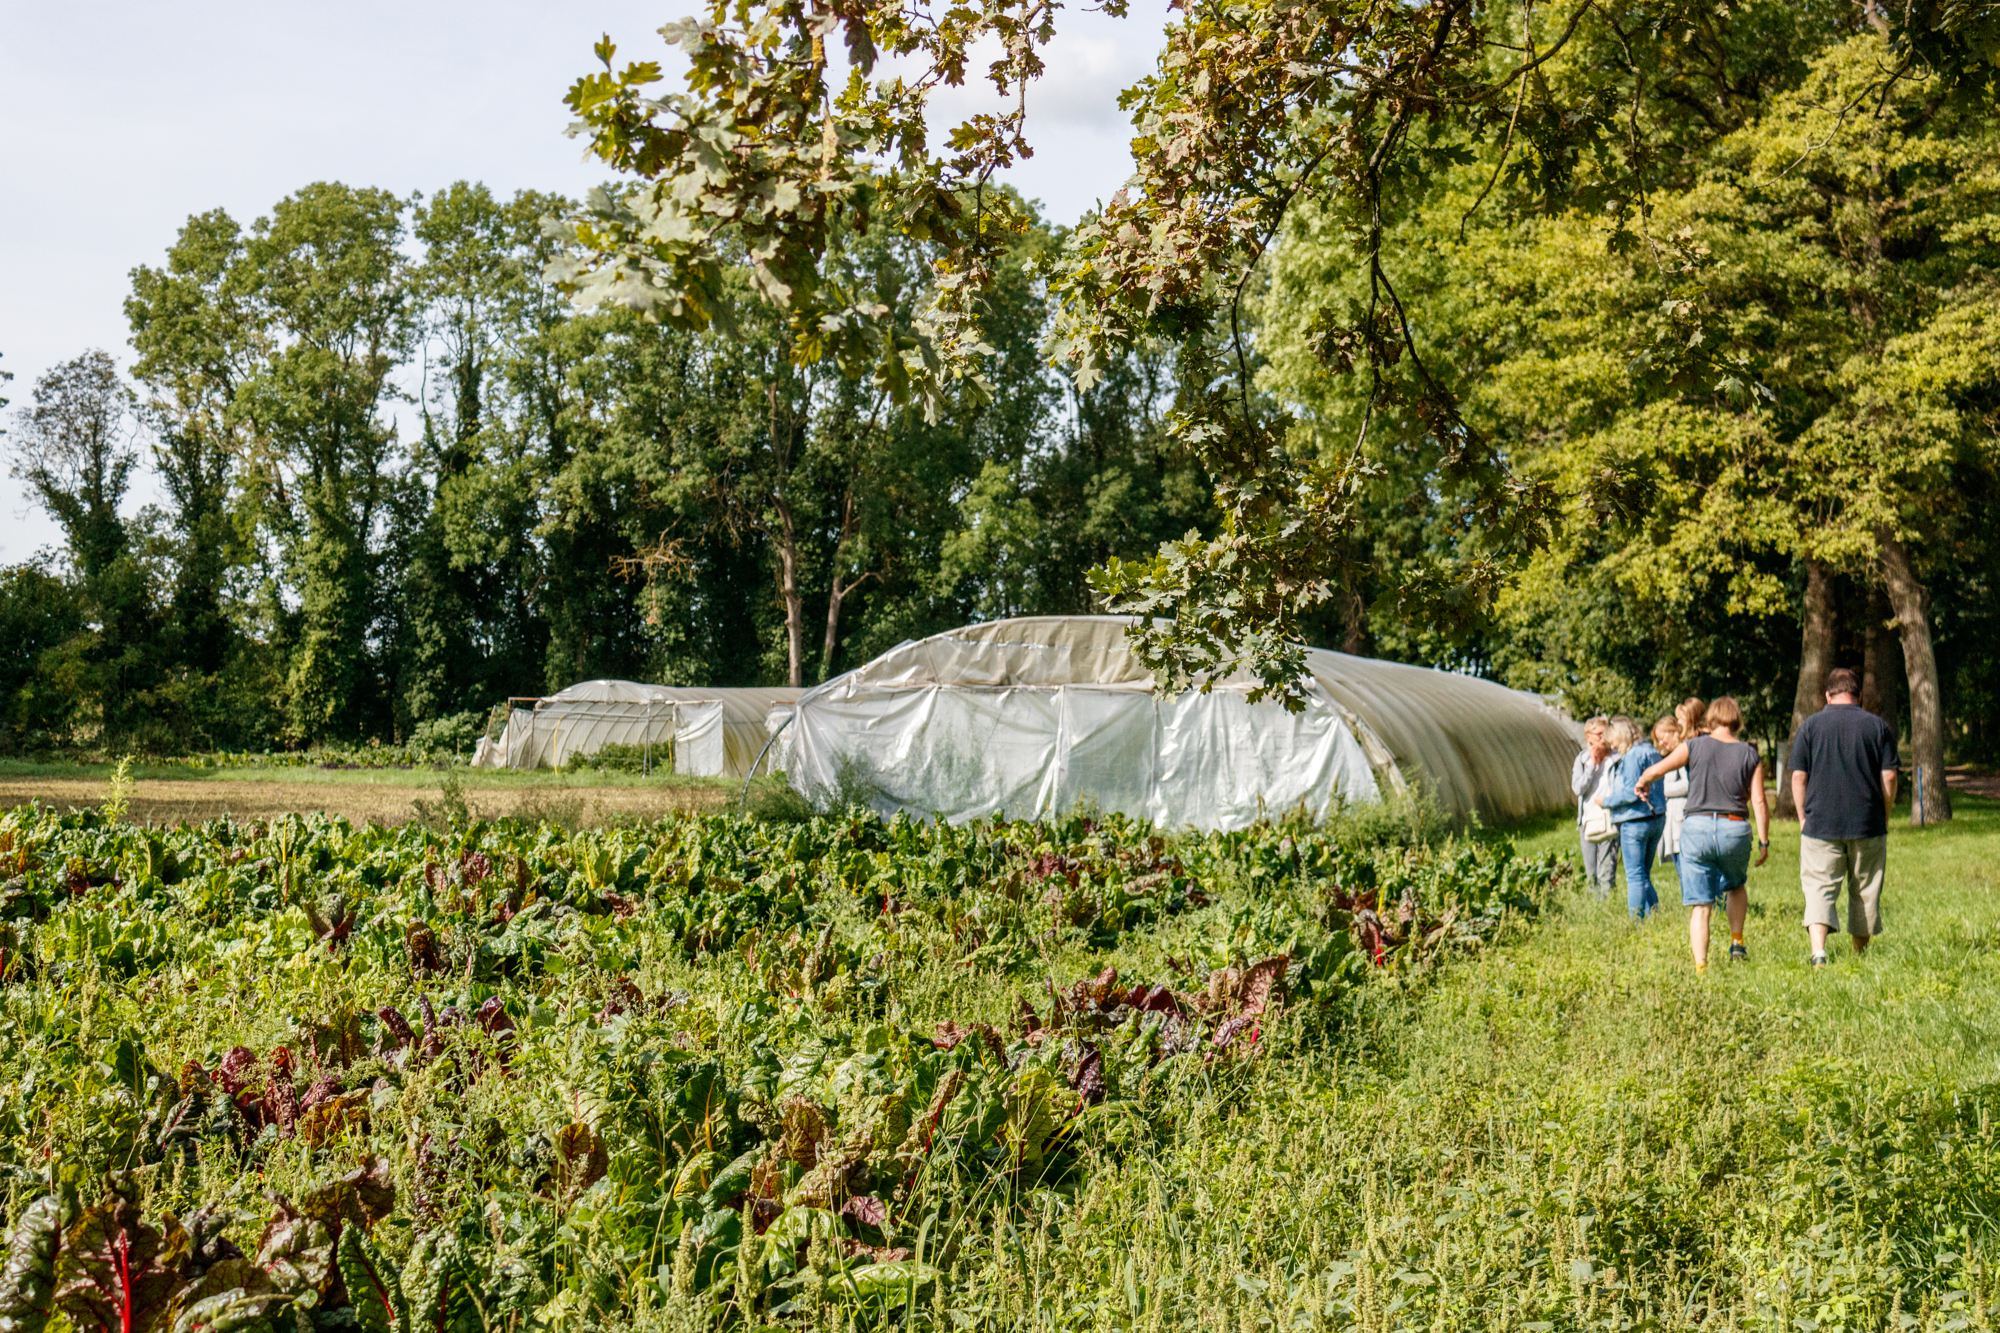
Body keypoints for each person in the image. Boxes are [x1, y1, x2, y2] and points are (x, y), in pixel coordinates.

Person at [1637, 695, 1768, 973]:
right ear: (1737, 721)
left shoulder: (1693, 746)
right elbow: (1758, 801)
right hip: (1734, 828)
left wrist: (1642, 782)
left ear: (1710, 719)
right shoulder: (1750, 753)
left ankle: (1701, 967)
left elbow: (1657, 770)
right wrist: (1764, 841)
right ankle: (1736, 942)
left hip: (1696, 828)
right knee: (1735, 886)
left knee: (1701, 905)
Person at [1788, 667, 1899, 969]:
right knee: (1865, 888)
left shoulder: (1810, 726)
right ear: (1859, 695)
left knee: (1819, 886)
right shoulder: (1877, 726)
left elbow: (1798, 777)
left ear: (1827, 694)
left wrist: (1801, 817)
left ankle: (1819, 952)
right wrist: (1885, 813)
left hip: (1819, 822)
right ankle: (1859, 955)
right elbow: (1889, 776)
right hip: (1867, 821)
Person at [1598, 715, 1666, 918]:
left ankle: (1636, 922)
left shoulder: (1632, 757)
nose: (1613, 746)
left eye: (1614, 741)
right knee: (1644, 873)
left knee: (1634, 876)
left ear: (1621, 736)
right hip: (1656, 817)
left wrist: (1606, 802)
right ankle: (1655, 914)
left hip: (1635, 820)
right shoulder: (1652, 751)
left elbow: (1630, 793)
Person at [1571, 717, 1617, 896]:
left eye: (1606, 733)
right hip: (1588, 819)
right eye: (1599, 734)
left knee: (1607, 869)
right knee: (1592, 872)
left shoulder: (1616, 759)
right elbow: (1578, 788)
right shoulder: (1582, 760)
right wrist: (1592, 765)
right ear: (1588, 737)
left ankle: (1608, 905)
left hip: (1609, 817)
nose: (1603, 738)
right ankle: (1595, 905)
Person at [1654, 715, 1688, 868]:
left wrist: (1662, 790)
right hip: (1673, 819)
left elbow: (1688, 784)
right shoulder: (1673, 754)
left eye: (1662, 738)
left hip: (1682, 820)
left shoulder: (1683, 753)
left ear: (1673, 731)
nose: (1661, 743)